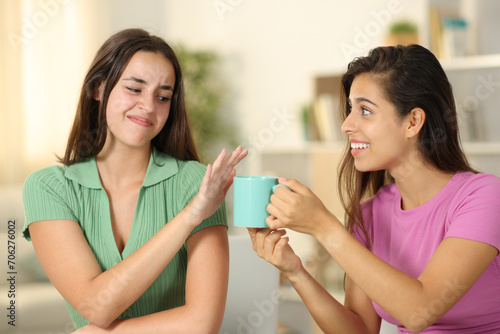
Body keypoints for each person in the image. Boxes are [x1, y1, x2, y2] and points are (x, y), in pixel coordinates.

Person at [248, 44, 500, 333]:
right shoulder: (370, 214)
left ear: (413, 122)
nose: (346, 125)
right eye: (350, 109)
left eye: (365, 110)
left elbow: (421, 311)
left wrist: (323, 227)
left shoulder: (484, 197)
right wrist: (296, 272)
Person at [22, 28, 247, 333]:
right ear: (98, 88)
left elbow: (202, 323)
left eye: (163, 96)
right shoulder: (49, 188)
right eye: (135, 88)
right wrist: (189, 217)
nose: (149, 106)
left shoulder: (196, 183)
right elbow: (95, 307)